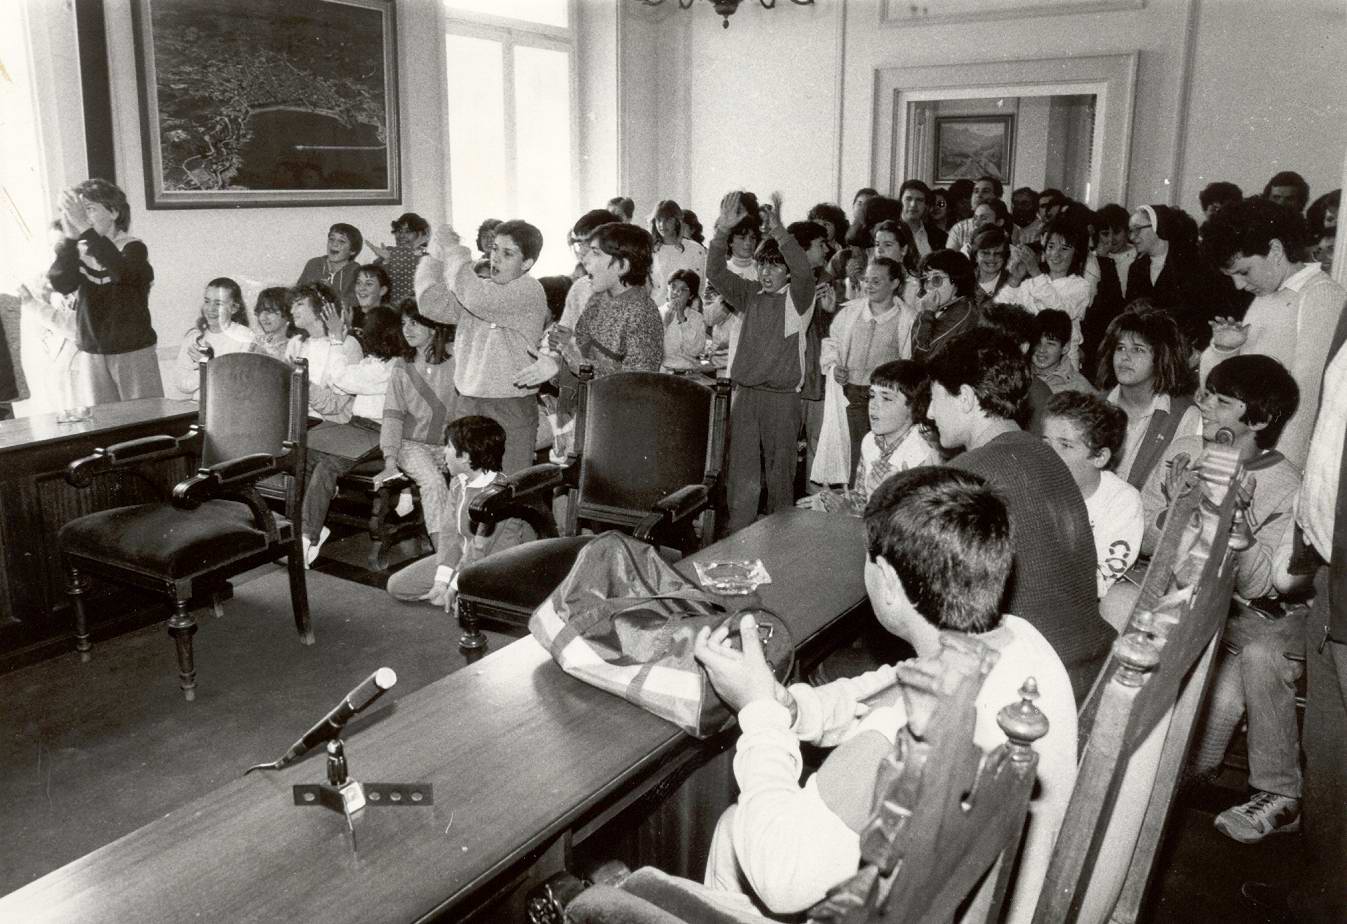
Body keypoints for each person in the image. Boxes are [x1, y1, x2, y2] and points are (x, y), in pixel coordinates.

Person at [695, 466, 1077, 923]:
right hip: (992, 897)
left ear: (889, 583)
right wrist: (790, 706)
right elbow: (894, 685)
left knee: (736, 831)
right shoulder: (1018, 641)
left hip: (903, 904)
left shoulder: (895, 744)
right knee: (732, 829)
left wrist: (758, 711)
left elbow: (780, 876)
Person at [1126, 356, 1304, 846]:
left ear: (1261, 420)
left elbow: (1257, 588)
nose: (1204, 405)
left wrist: (1237, 529)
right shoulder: (1184, 450)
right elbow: (1137, 526)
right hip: (1169, 599)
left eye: (1222, 401)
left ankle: (1147, 817)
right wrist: (1176, 509)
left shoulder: (1285, 485)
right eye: (1207, 394)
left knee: (1201, 750)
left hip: (1236, 621)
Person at [928, 328, 1114, 701]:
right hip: (1093, 667)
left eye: (935, 398)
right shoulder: (1046, 455)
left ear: (965, 398)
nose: (930, 413)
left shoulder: (968, 476)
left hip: (1033, 690)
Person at [1199, 196, 1347, 469]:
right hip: (1244, 451)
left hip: (1274, 461)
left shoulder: (1320, 296)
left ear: (1275, 250)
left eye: (1244, 271)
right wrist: (1224, 350)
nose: (1239, 285)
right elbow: (1221, 387)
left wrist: (1279, 469)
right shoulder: (1266, 295)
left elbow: (1306, 397)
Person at [707, 191, 815, 534]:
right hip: (746, 396)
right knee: (741, 476)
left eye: (775, 266)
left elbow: (803, 271)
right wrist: (721, 231)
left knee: (780, 476)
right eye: (763, 265)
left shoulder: (798, 301)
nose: (767, 272)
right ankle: (739, 539)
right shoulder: (750, 295)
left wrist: (780, 232)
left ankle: (780, 542)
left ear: (787, 272)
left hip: (781, 400)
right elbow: (715, 273)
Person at [427, 218, 550, 475]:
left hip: (510, 404)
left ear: (527, 264)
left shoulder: (528, 289)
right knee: (463, 483)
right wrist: (434, 257)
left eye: (508, 253)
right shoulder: (483, 288)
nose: (496, 258)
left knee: (508, 487)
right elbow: (430, 304)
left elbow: (475, 297)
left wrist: (455, 250)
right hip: (469, 400)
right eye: (494, 249)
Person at [298, 306, 410, 567]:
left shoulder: (392, 368)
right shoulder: (372, 363)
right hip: (355, 426)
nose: (361, 336)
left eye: (365, 332)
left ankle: (306, 538)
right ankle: (311, 526)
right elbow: (339, 379)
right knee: (301, 452)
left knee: (327, 467)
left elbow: (341, 378)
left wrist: (337, 338)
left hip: (379, 433)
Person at [385, 415, 536, 608]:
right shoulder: (458, 482)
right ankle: (458, 596)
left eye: (448, 446)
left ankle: (468, 598)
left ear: (464, 456)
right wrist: (441, 581)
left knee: (470, 603)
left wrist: (454, 586)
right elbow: (450, 535)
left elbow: (479, 550)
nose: (443, 453)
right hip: (463, 559)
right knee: (398, 586)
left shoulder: (500, 492)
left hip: (492, 566)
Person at [46, 178, 163, 404]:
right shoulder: (77, 250)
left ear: (114, 212)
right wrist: (70, 240)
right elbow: (61, 283)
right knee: (103, 424)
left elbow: (124, 274)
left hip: (132, 349)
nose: (82, 217)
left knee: (144, 420)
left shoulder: (133, 247)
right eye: (79, 212)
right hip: (92, 352)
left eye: (89, 209)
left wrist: (87, 231)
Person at [801, 359, 939, 513]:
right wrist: (830, 500)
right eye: (872, 396)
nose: (873, 405)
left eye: (886, 398)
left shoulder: (924, 454)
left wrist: (848, 512)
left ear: (914, 407)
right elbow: (862, 497)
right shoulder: (870, 441)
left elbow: (911, 522)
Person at [1041, 390, 1141, 598]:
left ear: (1099, 457)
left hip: (1080, 605)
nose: (1048, 455)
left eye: (1065, 445)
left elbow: (1099, 581)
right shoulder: (1032, 484)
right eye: (1046, 443)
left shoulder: (1122, 502)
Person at [373, 299, 457, 536]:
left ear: (434, 327)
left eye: (414, 323)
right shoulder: (402, 365)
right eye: (404, 324)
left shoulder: (456, 359)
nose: (407, 330)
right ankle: (443, 556)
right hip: (410, 445)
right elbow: (392, 416)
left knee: (466, 485)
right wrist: (390, 462)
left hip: (449, 445)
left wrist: (454, 449)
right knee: (433, 482)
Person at [821, 256, 914, 471]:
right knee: (852, 453)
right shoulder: (850, 312)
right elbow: (832, 343)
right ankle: (853, 497)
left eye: (876, 281)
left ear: (895, 284)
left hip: (884, 398)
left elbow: (908, 363)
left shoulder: (906, 319)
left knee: (881, 452)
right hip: (852, 394)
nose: (868, 286)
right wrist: (835, 367)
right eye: (866, 280)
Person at [1097, 306, 1200, 489]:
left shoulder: (1185, 415)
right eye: (1120, 348)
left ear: (1161, 357)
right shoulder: (1095, 406)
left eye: (1138, 349)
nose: (1125, 357)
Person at [549, 221, 663, 378]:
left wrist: (584, 369)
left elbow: (638, 383)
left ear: (622, 266)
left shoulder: (643, 313)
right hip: (586, 400)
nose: (585, 259)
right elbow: (581, 350)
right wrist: (564, 346)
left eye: (595, 253)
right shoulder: (597, 299)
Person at [1125, 204, 1236, 349]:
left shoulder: (1194, 265)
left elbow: (1209, 314)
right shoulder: (1136, 268)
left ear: (1158, 227)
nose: (1132, 237)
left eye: (1137, 229)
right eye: (1130, 231)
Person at [1000, 216, 1092, 365]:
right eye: (1051, 246)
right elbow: (1002, 310)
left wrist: (1035, 272)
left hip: (1064, 362)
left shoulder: (1080, 286)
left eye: (1064, 249)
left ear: (1077, 254)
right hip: (1032, 357)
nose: (1055, 254)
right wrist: (1014, 280)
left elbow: (1060, 314)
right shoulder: (1032, 282)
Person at [284, 282, 364, 423]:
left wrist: (303, 383)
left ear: (320, 307)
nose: (291, 311)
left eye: (299, 304)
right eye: (292, 305)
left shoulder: (348, 344)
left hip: (331, 428)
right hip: (297, 422)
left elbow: (335, 405)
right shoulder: (296, 343)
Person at [172, 277, 257, 397]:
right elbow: (181, 383)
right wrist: (204, 368)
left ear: (234, 308)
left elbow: (241, 385)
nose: (210, 308)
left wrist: (211, 365)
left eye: (218, 303)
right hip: (196, 408)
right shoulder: (194, 337)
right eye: (207, 301)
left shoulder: (245, 337)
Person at [1081, 203, 1136, 377]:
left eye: (1117, 232)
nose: (1111, 239)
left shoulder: (1135, 255)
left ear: (1127, 232)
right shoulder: (1096, 258)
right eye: (1105, 233)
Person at [909, 249, 979, 361]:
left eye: (937, 279)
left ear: (956, 280)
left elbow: (922, 355)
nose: (929, 286)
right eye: (926, 279)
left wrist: (926, 313)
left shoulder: (962, 310)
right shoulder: (943, 307)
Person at [296, 222, 363, 310]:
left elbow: (356, 302)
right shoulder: (314, 264)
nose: (334, 244)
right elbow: (297, 293)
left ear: (352, 251)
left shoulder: (356, 271)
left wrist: (332, 292)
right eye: (331, 239)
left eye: (342, 241)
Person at [648, 199, 707, 298]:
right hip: (657, 308)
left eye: (667, 220)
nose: (662, 225)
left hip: (687, 309)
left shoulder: (695, 249)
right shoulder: (650, 250)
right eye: (659, 220)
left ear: (677, 221)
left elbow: (700, 287)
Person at [367, 212, 429, 304]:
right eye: (399, 231)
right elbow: (372, 281)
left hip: (416, 311)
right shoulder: (388, 252)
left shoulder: (428, 255)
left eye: (408, 232)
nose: (402, 236)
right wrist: (386, 261)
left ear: (419, 233)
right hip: (390, 309)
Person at [1030, 308, 1094, 394]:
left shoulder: (1078, 387)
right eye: (1037, 341)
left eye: (1050, 343)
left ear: (1065, 348)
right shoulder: (1017, 373)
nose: (1041, 349)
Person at [658, 269, 706, 373]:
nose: (676, 293)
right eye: (673, 287)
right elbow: (653, 349)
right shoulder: (657, 313)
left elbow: (695, 351)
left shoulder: (697, 318)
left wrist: (682, 319)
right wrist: (665, 325)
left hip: (689, 374)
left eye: (683, 290)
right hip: (664, 372)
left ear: (691, 295)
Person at [946, 175, 1003, 253]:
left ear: (998, 197)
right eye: (976, 191)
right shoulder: (959, 228)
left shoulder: (1012, 228)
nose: (979, 195)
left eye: (985, 191)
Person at [897, 179, 946, 256]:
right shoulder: (890, 230)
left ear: (925, 205)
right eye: (908, 199)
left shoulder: (939, 236)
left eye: (919, 200)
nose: (913, 205)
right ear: (900, 201)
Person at [971, 227, 1014, 307]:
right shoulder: (965, 280)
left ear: (1005, 257)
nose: (991, 258)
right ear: (976, 256)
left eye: (998, 253)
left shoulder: (1012, 282)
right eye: (985, 253)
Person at [251, 287, 292, 360]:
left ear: (286, 312)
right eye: (259, 312)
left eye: (269, 311)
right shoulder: (256, 343)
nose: (263, 318)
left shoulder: (296, 345)